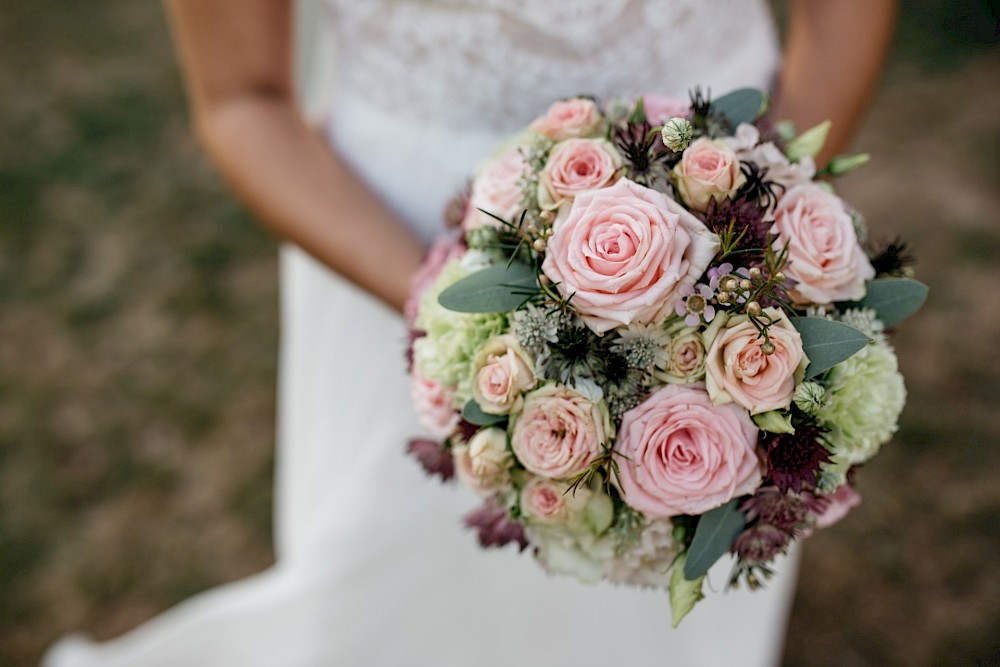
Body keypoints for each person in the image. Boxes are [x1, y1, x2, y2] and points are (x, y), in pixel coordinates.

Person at [43, 1, 897, 665]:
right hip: (386, 230)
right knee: (387, 573)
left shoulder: (739, 233)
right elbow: (241, 98)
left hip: (726, 178)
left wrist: (751, 225)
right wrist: (457, 309)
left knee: (685, 562)